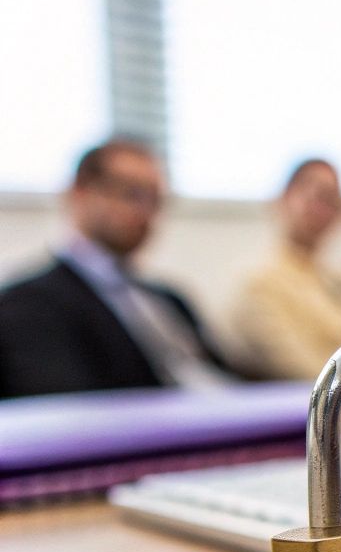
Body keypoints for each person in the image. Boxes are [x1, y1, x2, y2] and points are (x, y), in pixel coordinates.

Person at [0, 138, 240, 399]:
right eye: (131, 194)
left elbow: (225, 378)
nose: (145, 213)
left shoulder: (170, 298)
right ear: (80, 193)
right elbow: (66, 408)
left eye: (155, 201)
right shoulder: (27, 305)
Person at [231, 158, 341, 380]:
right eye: (312, 195)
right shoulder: (257, 284)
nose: (321, 209)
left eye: (332, 200)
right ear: (282, 200)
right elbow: (309, 372)